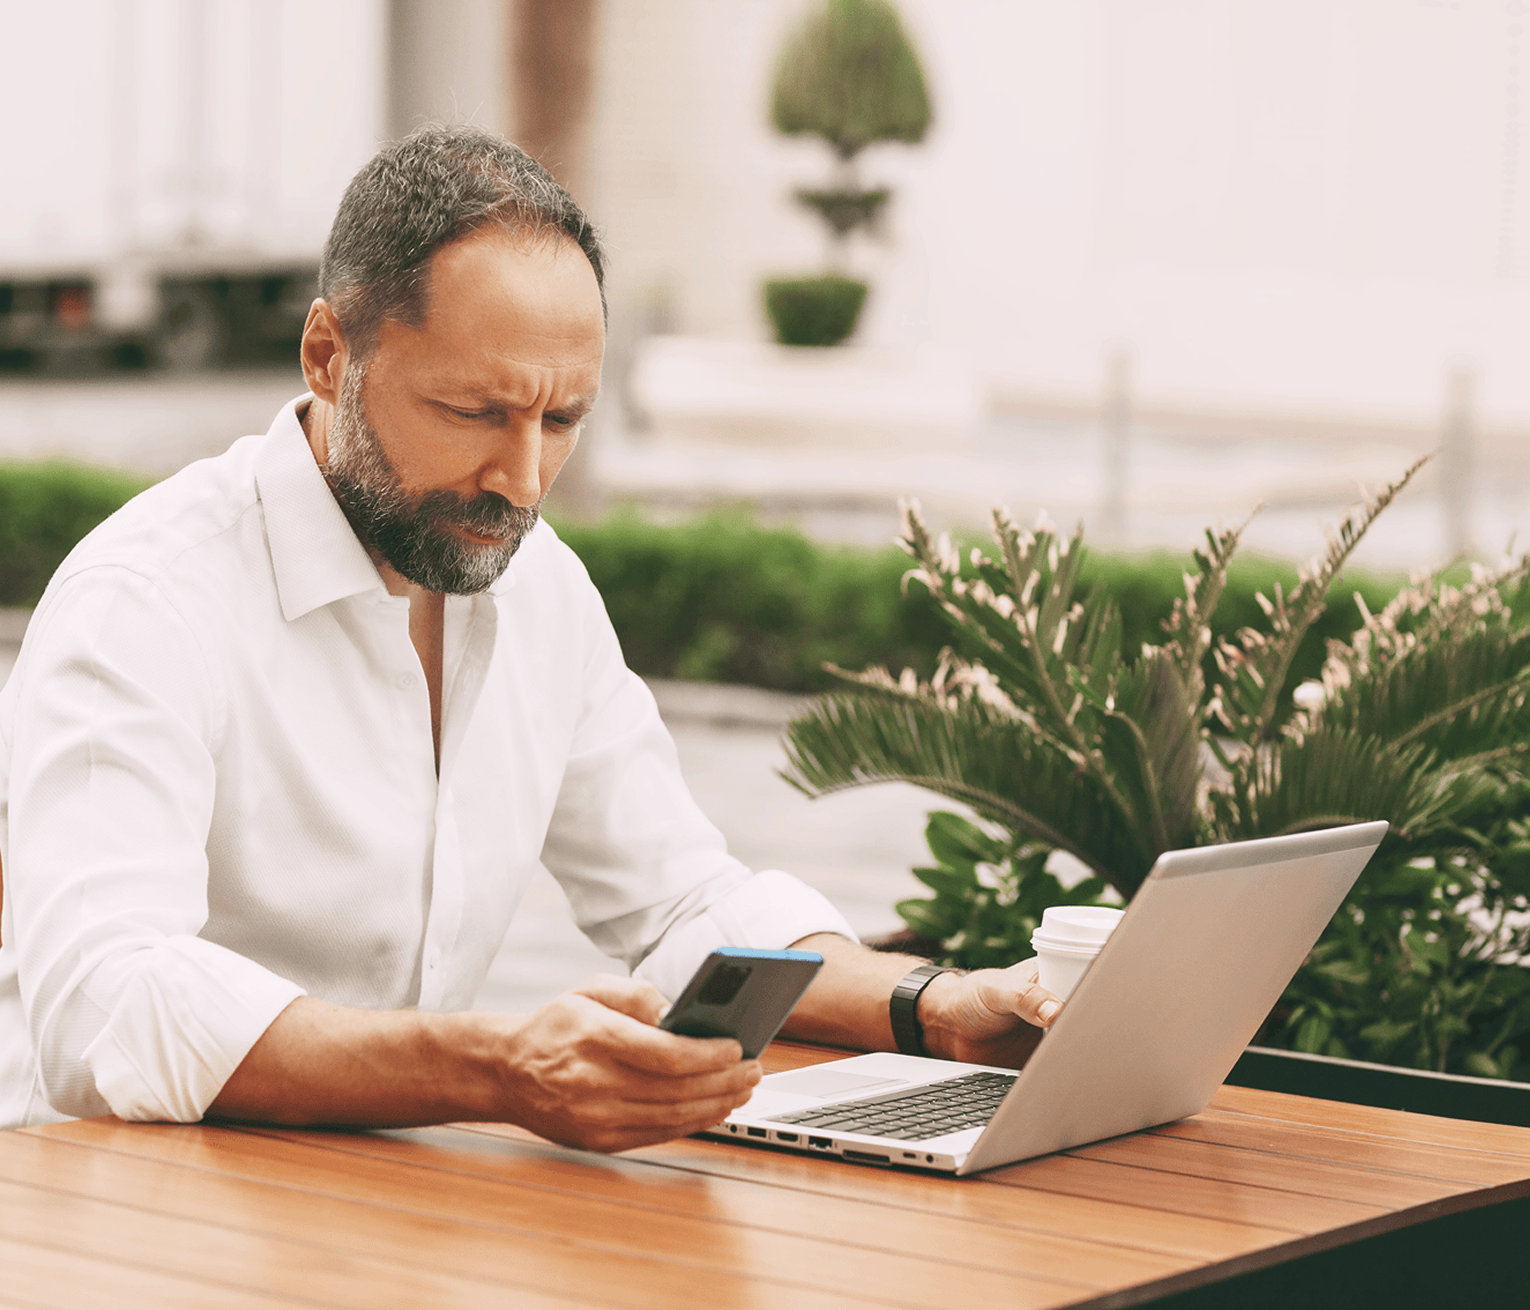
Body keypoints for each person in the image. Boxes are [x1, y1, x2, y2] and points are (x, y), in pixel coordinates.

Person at [0, 126, 1059, 1148]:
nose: (521, 480)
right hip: (106, 1213)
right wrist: (491, 1068)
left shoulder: (535, 584)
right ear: (329, 355)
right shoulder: (143, 600)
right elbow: (106, 1009)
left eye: (560, 421)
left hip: (376, 1200)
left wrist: (936, 1005)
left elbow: (684, 897)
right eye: (473, 409)